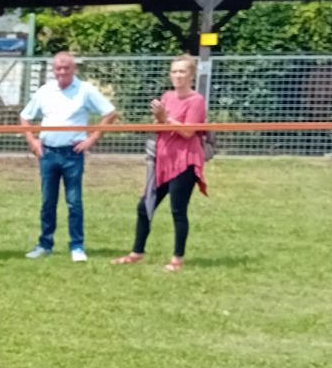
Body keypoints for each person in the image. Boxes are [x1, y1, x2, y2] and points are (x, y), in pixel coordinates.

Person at [19, 51, 120, 263]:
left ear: (74, 69)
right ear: (53, 70)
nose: (62, 72)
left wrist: (91, 140)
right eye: (58, 68)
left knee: (74, 201)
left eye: (66, 68)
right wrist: (32, 141)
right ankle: (45, 244)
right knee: (48, 201)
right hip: (47, 153)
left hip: (72, 154)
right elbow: (25, 116)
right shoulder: (45, 91)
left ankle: (77, 246)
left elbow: (110, 113)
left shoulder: (85, 90)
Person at [113, 56, 210, 272]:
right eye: (174, 71)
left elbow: (188, 131)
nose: (177, 76)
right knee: (144, 206)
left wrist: (166, 118)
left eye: (182, 72)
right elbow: (159, 127)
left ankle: (178, 258)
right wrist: (158, 118)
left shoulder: (196, 101)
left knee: (178, 209)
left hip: (185, 161)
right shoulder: (167, 96)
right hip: (163, 160)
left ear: (191, 75)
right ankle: (136, 253)